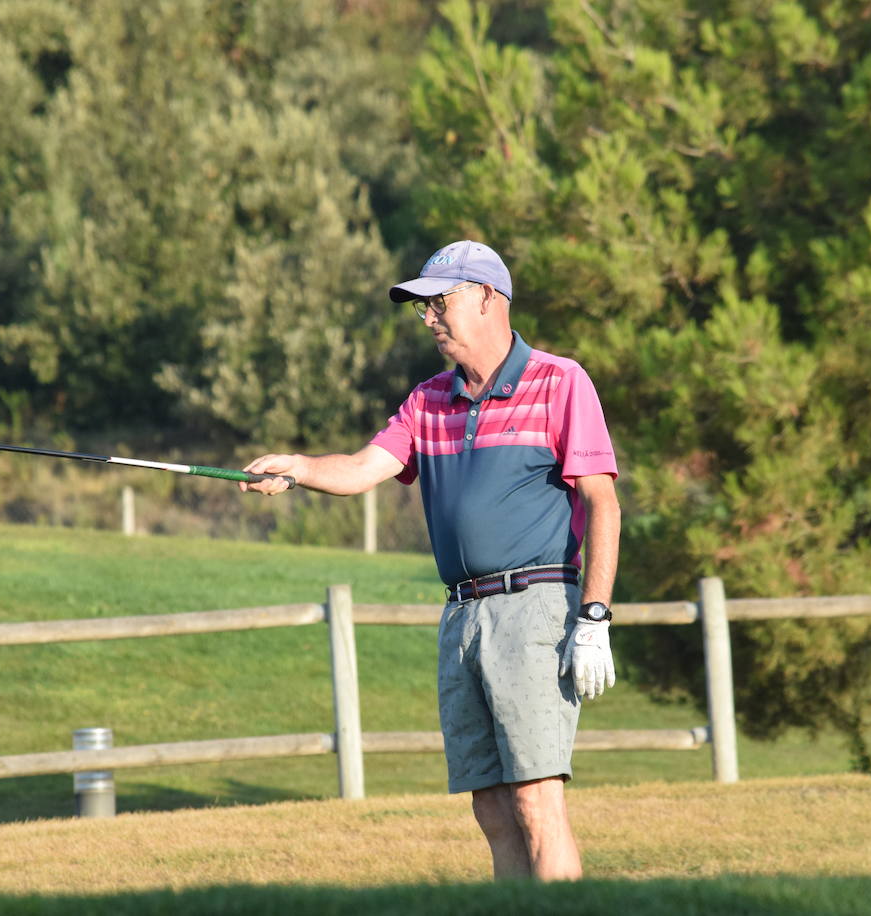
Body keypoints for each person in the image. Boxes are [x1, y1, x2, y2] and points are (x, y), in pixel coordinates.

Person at [241, 239, 620, 881]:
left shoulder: (561, 382)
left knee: (535, 798)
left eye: (440, 303)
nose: (431, 320)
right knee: (493, 807)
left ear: (488, 300)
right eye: (424, 309)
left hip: (534, 610)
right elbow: (366, 466)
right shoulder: (428, 401)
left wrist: (594, 618)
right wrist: (300, 468)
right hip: (462, 617)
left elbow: (602, 504)